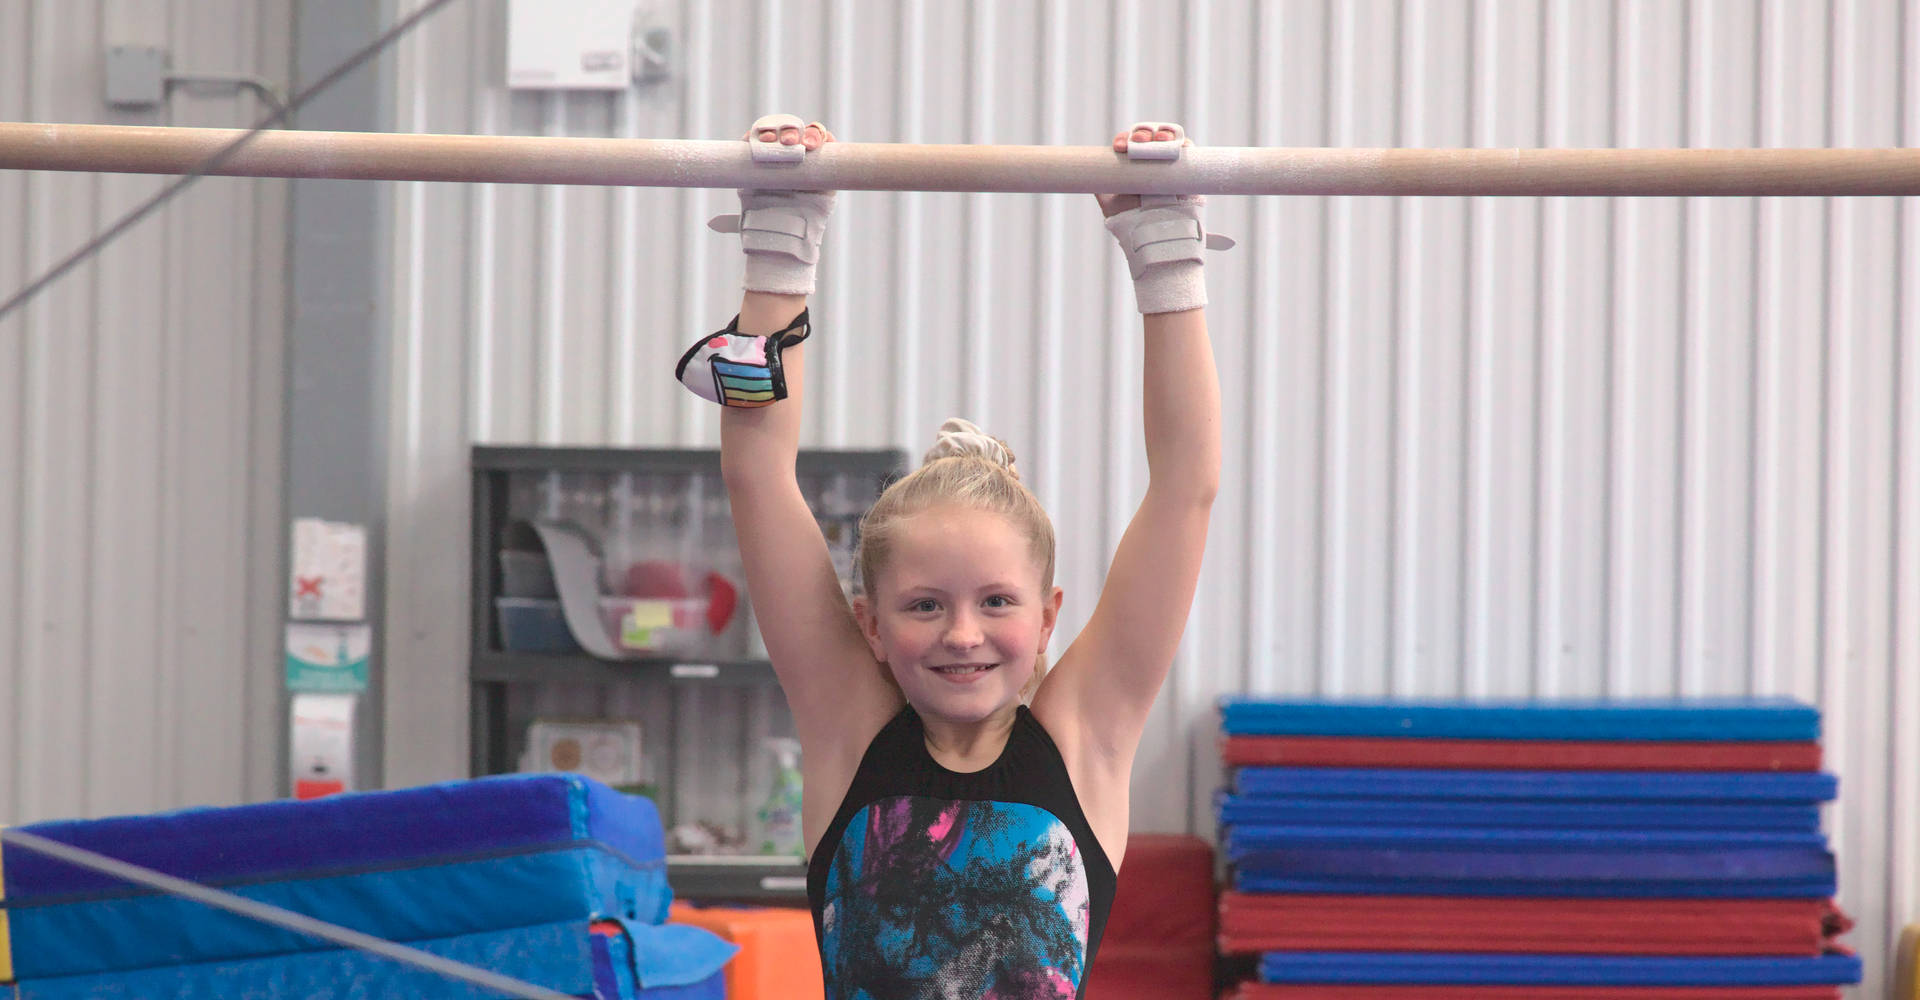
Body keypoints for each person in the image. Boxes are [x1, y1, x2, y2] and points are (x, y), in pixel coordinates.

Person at [677, 114, 1223, 999]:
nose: (962, 633)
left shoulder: (1084, 741)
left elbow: (1186, 486)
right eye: (925, 605)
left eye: (997, 602)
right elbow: (757, 474)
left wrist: (1163, 245)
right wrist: (779, 244)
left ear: (1048, 615)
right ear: (872, 624)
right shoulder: (850, 728)